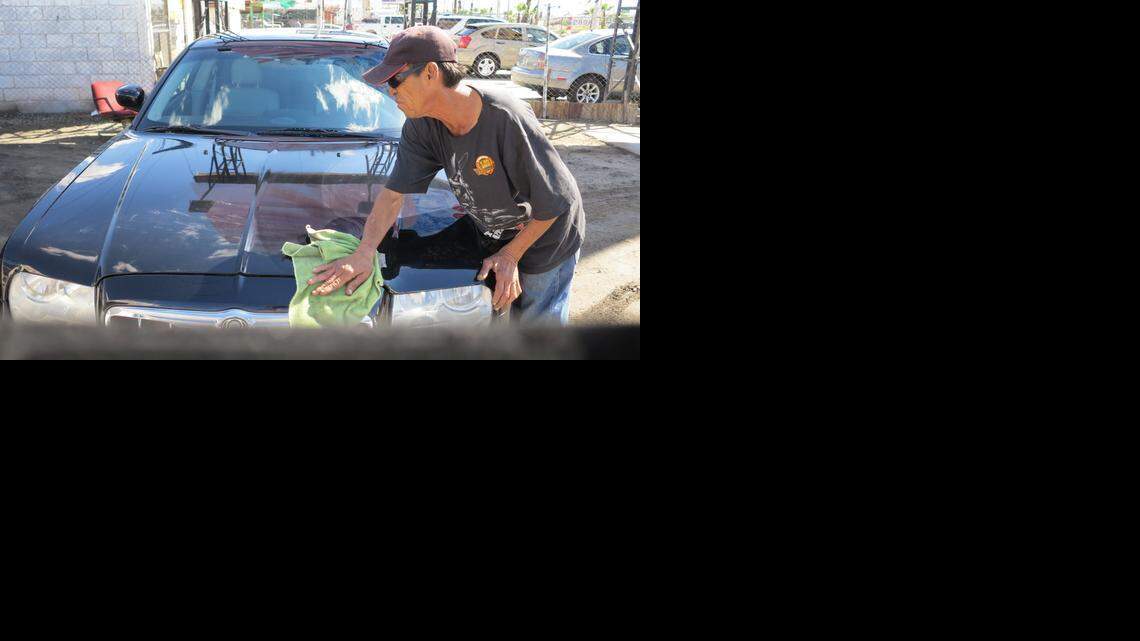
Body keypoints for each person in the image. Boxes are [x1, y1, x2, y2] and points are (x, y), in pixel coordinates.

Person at [308, 26, 586, 324]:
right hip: (495, 232)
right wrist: (364, 252)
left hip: (547, 237)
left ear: (430, 72)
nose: (390, 91)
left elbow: (557, 200)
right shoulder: (421, 126)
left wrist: (511, 256)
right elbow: (393, 195)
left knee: (538, 327)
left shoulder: (506, 118)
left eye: (395, 80)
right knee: (501, 324)